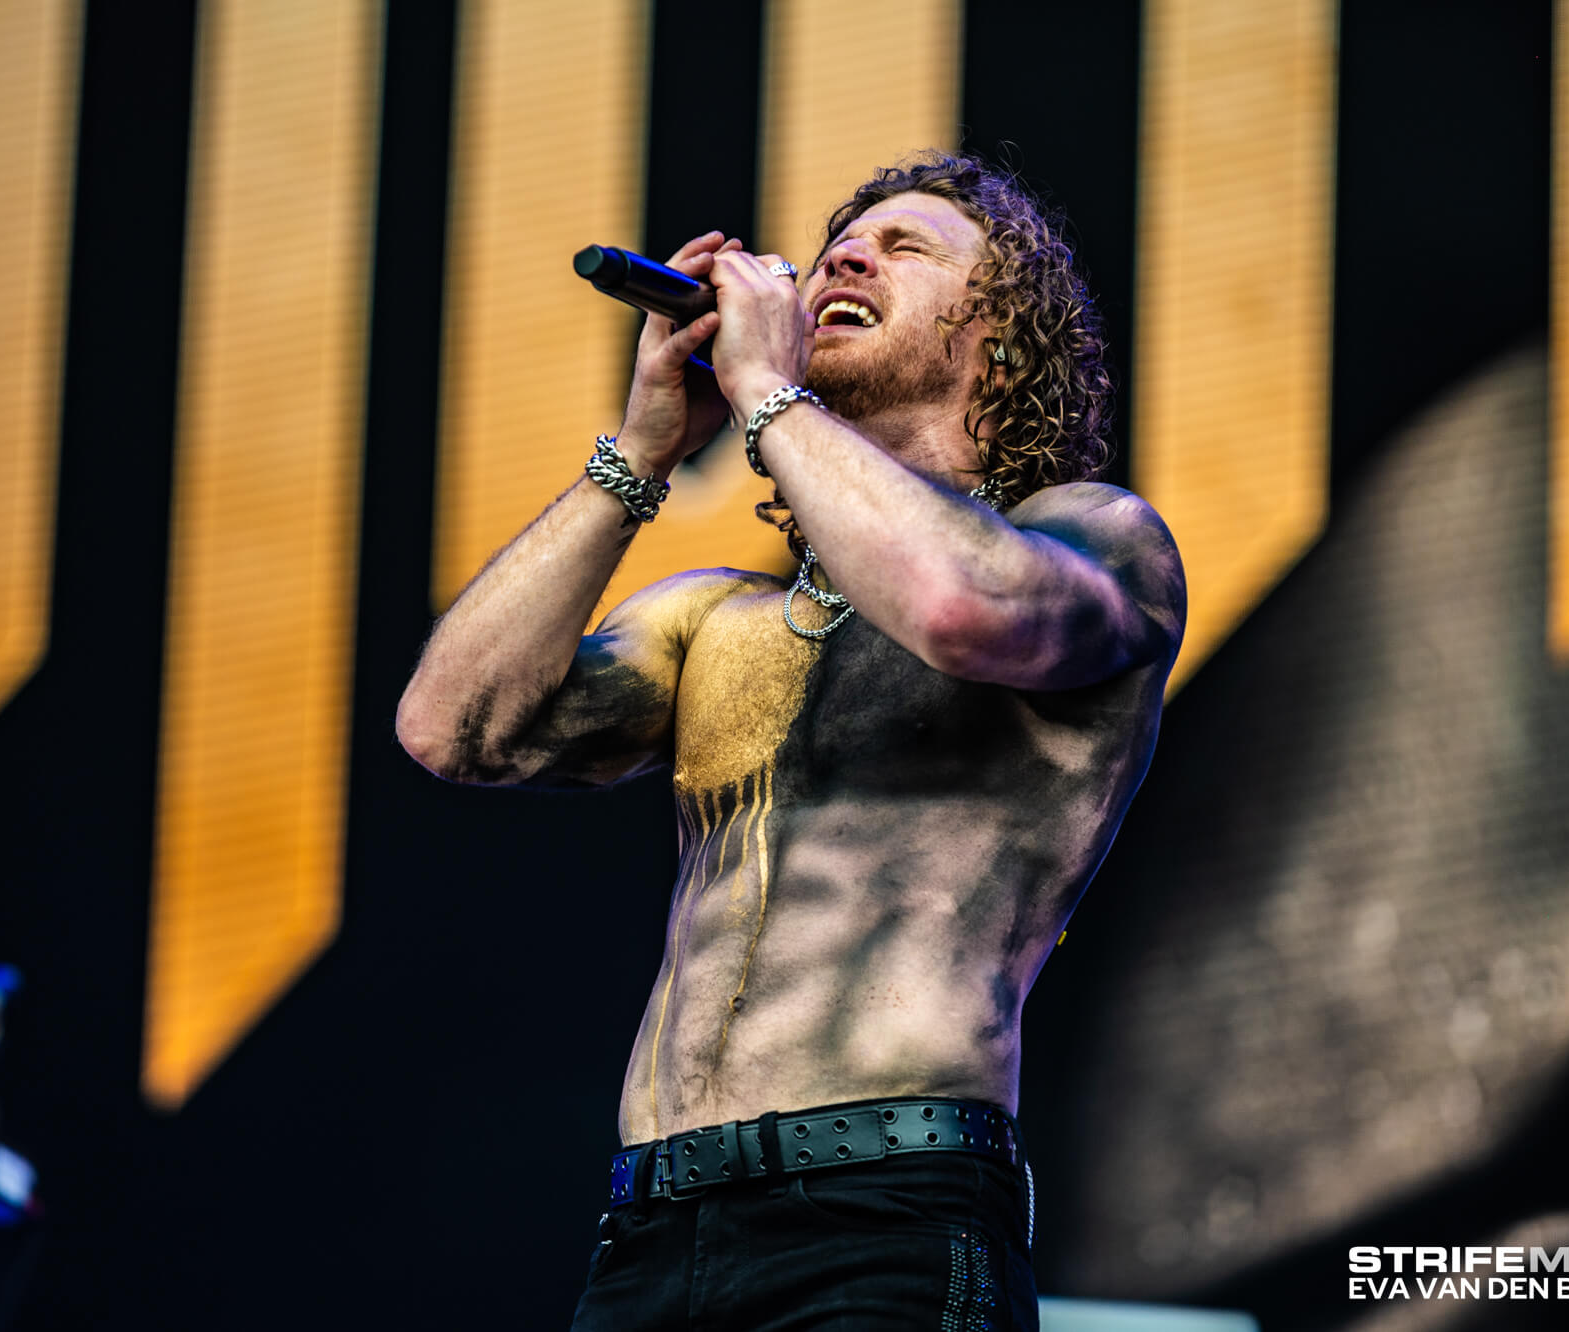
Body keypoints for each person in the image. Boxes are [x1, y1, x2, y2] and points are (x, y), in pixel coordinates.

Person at [396, 151, 1185, 1331]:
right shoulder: (713, 620)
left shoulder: (1093, 540)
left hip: (889, 1212)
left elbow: (957, 610)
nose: (844, 259)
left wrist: (769, 392)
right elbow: (452, 729)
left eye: (903, 248)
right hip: (649, 1235)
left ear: (1001, 342)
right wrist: (640, 453)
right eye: (832, 252)